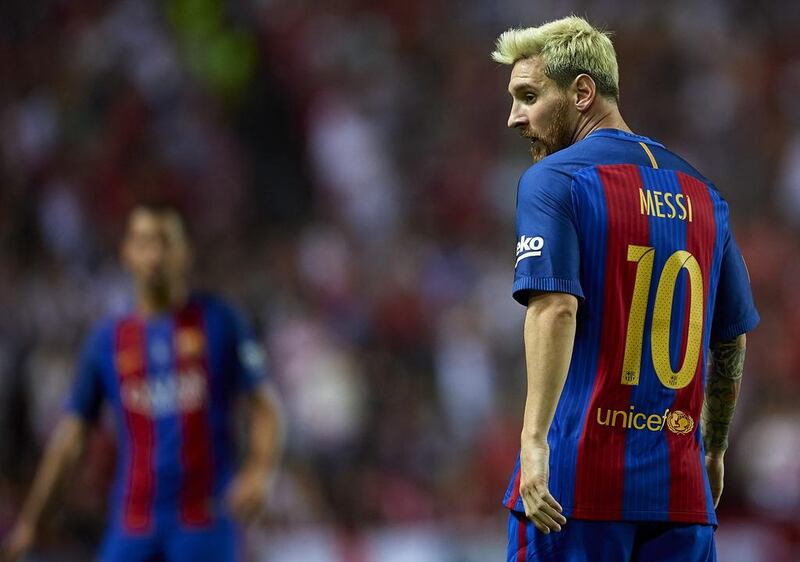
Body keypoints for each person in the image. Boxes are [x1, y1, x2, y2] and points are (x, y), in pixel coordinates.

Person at [492, 16, 759, 562]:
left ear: (582, 92)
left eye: (529, 96)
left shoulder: (556, 179)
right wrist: (713, 448)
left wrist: (534, 440)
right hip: (681, 496)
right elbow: (730, 339)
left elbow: (556, 308)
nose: (515, 117)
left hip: (576, 486)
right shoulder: (706, 195)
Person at [1, 204, 283, 562]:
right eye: (144, 242)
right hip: (134, 522)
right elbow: (71, 436)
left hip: (204, 519)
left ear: (185, 252)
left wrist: (260, 471)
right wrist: (32, 519)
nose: (155, 254)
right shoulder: (108, 341)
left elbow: (264, 405)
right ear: (126, 253)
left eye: (165, 242)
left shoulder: (221, 321)